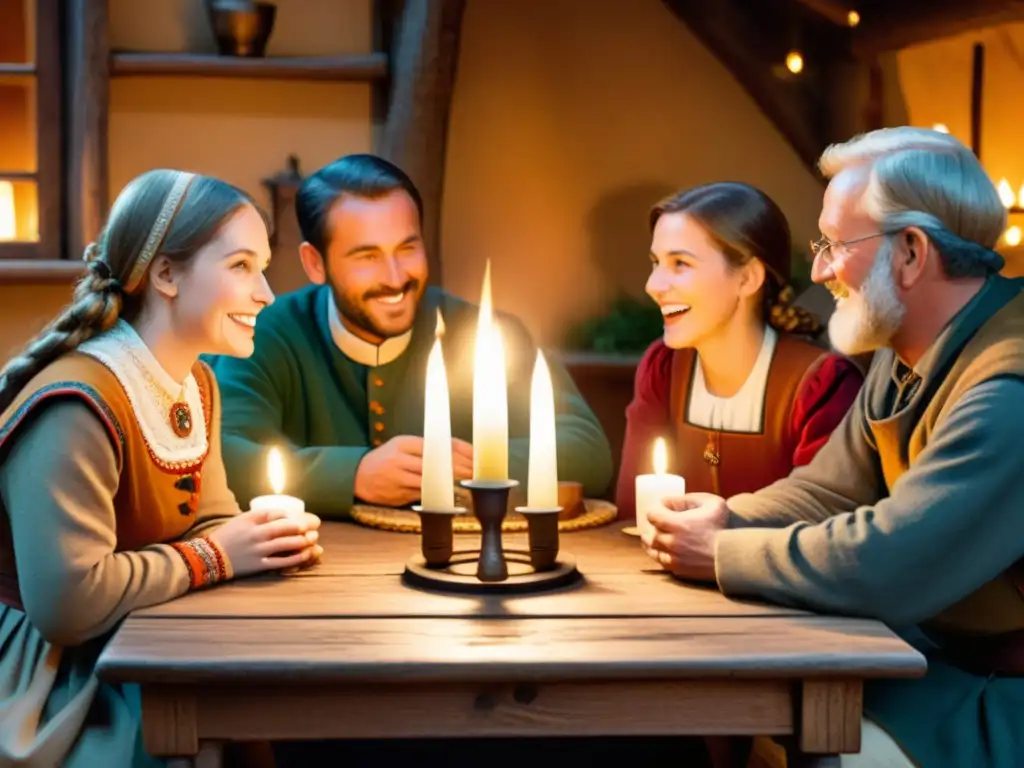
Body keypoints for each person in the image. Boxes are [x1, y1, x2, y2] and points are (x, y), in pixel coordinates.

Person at [643, 127, 1024, 768]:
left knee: (825, 745)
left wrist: (724, 552)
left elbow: (894, 559)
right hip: (934, 663)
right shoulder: (908, 348)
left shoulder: (1008, 385)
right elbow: (829, 487)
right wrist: (727, 515)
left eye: (835, 245)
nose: (819, 270)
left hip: (999, 701)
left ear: (910, 252)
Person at [0, 169, 322, 767]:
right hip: (46, 679)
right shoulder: (76, 405)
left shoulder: (194, 383)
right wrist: (219, 555)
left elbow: (210, 519)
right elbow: (67, 605)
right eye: (241, 267)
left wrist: (263, 540)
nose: (266, 294)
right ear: (167, 274)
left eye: (264, 266)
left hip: (136, 639)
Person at [209, 154, 613, 517]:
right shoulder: (266, 332)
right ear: (315, 263)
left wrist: (478, 465)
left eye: (407, 247)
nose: (396, 277)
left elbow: (589, 450)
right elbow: (223, 456)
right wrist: (354, 474)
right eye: (367, 256)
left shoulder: (487, 331)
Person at [616, 182, 864, 523]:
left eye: (680, 264)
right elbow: (632, 515)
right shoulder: (663, 368)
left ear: (747, 278)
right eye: (656, 262)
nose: (653, 285)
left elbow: (825, 527)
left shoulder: (822, 385)